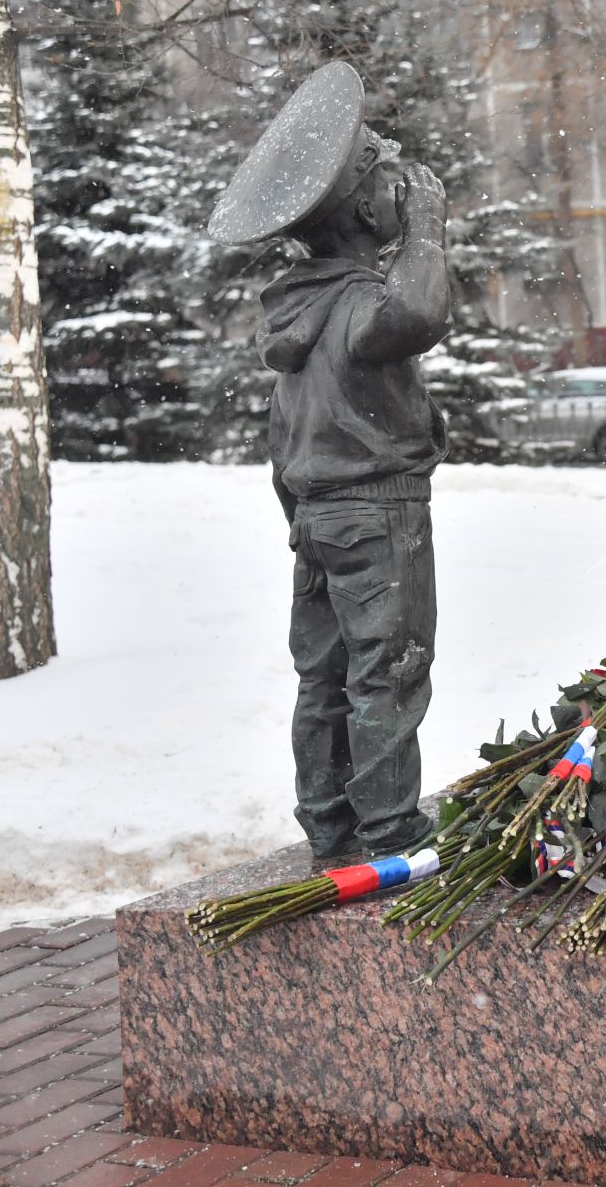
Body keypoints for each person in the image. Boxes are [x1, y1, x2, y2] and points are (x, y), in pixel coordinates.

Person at [209, 62, 449, 859]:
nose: (401, 182)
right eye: (384, 171)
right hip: (378, 512)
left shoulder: (302, 311)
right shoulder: (356, 306)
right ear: (359, 210)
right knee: (389, 667)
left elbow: (286, 444)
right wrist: (428, 232)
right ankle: (387, 828)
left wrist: (306, 521)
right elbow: (418, 309)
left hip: (318, 517)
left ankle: (329, 825)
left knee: (326, 674)